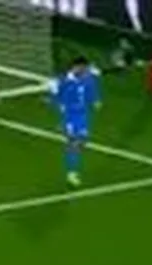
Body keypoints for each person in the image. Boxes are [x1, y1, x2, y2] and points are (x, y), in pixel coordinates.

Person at [50, 56, 102, 187]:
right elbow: (55, 98)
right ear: (75, 67)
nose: (85, 71)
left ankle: (71, 162)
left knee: (82, 142)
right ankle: (72, 173)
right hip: (70, 115)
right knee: (74, 142)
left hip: (83, 115)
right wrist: (62, 118)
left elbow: (92, 90)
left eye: (86, 68)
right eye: (83, 68)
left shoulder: (89, 78)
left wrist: (95, 100)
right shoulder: (63, 81)